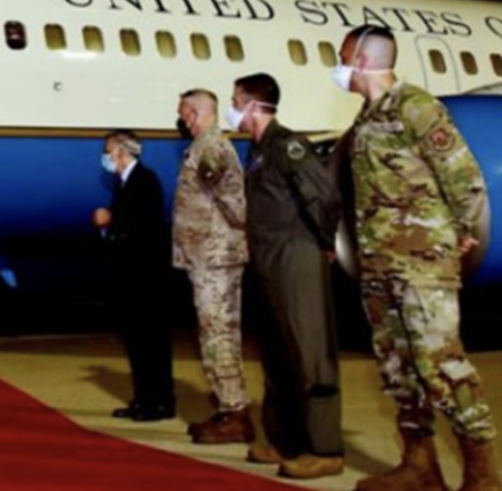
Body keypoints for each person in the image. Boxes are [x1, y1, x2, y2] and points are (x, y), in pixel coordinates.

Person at [336, 25, 502, 491]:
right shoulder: (367, 118)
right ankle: (419, 466)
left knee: (442, 366)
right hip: (381, 265)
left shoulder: (417, 106)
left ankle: (482, 474)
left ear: (362, 60)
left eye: (343, 57)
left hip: (423, 265)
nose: (339, 67)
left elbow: (464, 176)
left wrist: (463, 231)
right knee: (398, 369)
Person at [232, 73, 344, 479]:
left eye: (236, 102)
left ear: (254, 105)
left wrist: (325, 241)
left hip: (296, 257)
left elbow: (323, 195)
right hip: (267, 260)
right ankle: (286, 441)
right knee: (277, 354)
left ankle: (325, 449)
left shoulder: (287, 145)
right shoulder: (258, 151)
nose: (233, 110)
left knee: (310, 353)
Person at [173, 89, 254, 443]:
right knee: (214, 333)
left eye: (184, 114)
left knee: (219, 333)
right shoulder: (203, 147)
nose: (183, 121)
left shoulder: (211, 148)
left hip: (216, 259)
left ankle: (235, 413)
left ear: (195, 113)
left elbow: (235, 202)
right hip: (208, 257)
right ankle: (228, 407)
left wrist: (229, 241)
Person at [93, 130, 175, 421]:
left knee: (151, 342)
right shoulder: (123, 183)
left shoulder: (144, 180)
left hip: (146, 277)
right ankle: (143, 399)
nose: (105, 157)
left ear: (122, 151)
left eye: (108, 151)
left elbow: (145, 225)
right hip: (131, 276)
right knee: (137, 342)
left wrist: (111, 219)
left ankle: (160, 403)